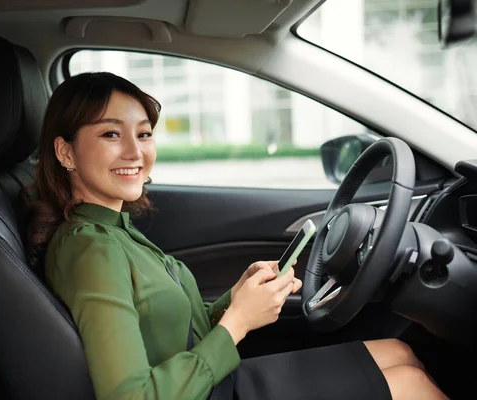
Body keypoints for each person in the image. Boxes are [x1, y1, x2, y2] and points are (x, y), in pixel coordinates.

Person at [27, 72, 448, 400]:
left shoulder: (113, 231)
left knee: (399, 353)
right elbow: (130, 394)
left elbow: (165, 331)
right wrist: (239, 321)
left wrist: (236, 298)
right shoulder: (90, 246)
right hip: (203, 391)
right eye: (110, 134)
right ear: (66, 152)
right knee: (407, 382)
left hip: (202, 381)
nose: (136, 152)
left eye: (144, 133)